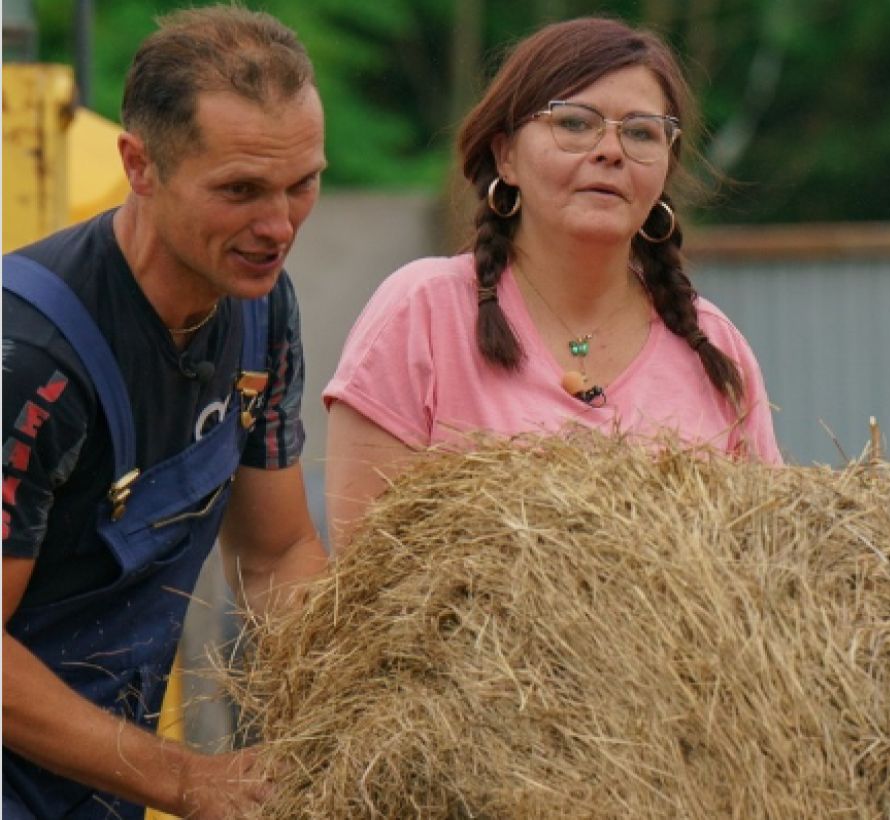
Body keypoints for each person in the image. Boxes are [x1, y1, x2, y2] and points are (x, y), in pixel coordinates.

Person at [2, 7, 328, 817]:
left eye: (303, 183)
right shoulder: (32, 355)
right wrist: (185, 778)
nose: (279, 225)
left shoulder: (260, 308)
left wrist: (352, 693)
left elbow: (276, 551)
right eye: (241, 190)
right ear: (138, 166)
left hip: (101, 785)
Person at [323, 16, 782, 550]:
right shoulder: (423, 311)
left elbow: (766, 569)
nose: (610, 150)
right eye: (574, 123)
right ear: (506, 156)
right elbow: (369, 580)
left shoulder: (715, 346)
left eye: (640, 132)